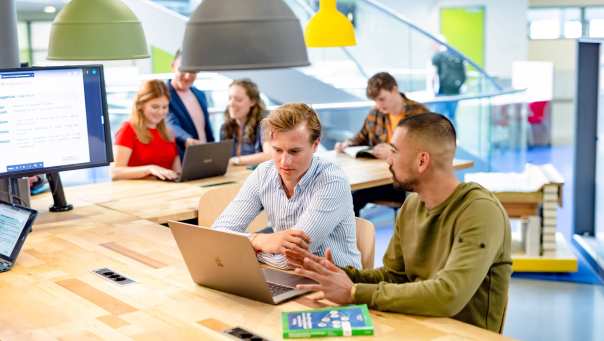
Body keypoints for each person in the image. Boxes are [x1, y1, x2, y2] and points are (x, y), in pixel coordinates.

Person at [287, 113, 512, 333]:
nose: (388, 159)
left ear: (422, 161)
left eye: (393, 151)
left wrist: (355, 292)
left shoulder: (481, 212)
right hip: (417, 325)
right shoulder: (412, 205)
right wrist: (335, 274)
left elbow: (448, 295)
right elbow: (395, 276)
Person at [212, 103, 361, 269]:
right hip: (284, 276)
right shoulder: (263, 173)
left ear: (315, 145)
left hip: (335, 284)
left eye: (294, 151)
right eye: (277, 150)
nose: (284, 162)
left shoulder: (332, 182)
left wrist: (249, 247)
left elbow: (292, 258)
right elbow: (218, 234)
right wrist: (260, 240)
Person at [334, 72, 430, 216]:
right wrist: (347, 144)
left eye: (382, 99)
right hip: (382, 179)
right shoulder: (376, 114)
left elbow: (426, 150)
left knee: (355, 197)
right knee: (349, 199)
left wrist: (394, 153)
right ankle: (353, 238)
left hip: (409, 183)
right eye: (376, 101)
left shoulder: (419, 114)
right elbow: (361, 138)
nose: (379, 105)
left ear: (394, 90)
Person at [112, 80, 180, 181]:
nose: (161, 112)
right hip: (140, 193)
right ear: (141, 105)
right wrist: (149, 169)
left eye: (165, 107)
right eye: (155, 107)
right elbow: (115, 172)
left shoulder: (169, 133)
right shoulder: (128, 130)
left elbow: (177, 171)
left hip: (168, 191)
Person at [166, 49, 215, 159]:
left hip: (204, 156)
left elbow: (206, 129)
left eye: (193, 71)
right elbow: (170, 124)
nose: (188, 76)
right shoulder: (164, 94)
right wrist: (186, 139)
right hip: (182, 158)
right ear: (173, 66)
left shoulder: (200, 94)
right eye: (183, 70)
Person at [220, 79, 271, 166]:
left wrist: (235, 160)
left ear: (252, 102)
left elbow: (269, 155)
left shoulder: (265, 123)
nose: (231, 103)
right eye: (230, 98)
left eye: (238, 99)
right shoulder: (225, 127)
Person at [431, 44, 466, 125]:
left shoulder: (438, 56)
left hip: (442, 91)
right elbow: (464, 75)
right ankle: (454, 136)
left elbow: (433, 75)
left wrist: (433, 91)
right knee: (452, 117)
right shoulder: (456, 56)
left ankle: (440, 136)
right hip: (456, 91)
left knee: (438, 118)